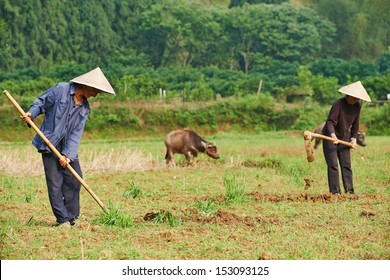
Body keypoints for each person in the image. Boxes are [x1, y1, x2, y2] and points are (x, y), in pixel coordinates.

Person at [21, 67, 115, 228]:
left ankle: (72, 217)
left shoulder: (85, 109)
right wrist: (31, 114)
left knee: (74, 178)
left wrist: (68, 156)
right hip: (49, 141)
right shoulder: (61, 89)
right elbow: (41, 103)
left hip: (67, 147)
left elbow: (76, 134)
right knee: (55, 182)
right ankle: (62, 219)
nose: (97, 94)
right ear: (88, 86)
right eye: (97, 90)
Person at [322, 81, 371, 195]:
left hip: (344, 137)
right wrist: (333, 136)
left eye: (358, 99)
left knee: (346, 165)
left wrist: (353, 138)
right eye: (354, 98)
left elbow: (355, 125)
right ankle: (335, 192)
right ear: (349, 95)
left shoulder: (357, 106)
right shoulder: (338, 104)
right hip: (330, 136)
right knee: (333, 165)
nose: (356, 100)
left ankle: (350, 191)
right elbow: (330, 122)